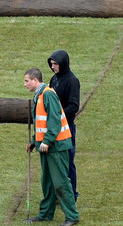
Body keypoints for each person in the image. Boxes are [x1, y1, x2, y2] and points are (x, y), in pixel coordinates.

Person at [23, 68, 80, 226]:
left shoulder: (47, 94)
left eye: (27, 81)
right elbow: (41, 124)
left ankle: (72, 215)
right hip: (46, 146)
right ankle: (46, 213)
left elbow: (54, 121)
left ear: (35, 80)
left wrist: (46, 141)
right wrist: (35, 141)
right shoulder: (40, 95)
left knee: (61, 181)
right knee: (47, 181)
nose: (25, 84)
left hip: (56, 146)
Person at [47, 50, 81, 199]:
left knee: (68, 162)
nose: (53, 67)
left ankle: (71, 194)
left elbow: (74, 106)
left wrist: (57, 117)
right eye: (52, 64)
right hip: (55, 128)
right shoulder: (54, 79)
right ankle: (58, 194)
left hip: (66, 128)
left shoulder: (72, 81)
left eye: (55, 64)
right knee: (56, 162)